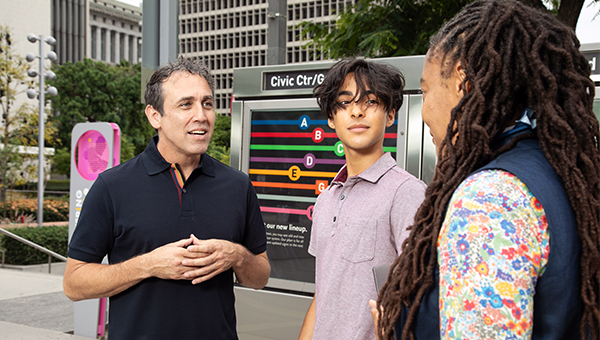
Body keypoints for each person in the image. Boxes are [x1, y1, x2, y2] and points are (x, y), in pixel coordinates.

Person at [371, 0, 600, 339]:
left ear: (463, 82)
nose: (424, 112)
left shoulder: (491, 198)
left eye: (426, 89)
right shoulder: (566, 177)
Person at [63, 57, 270, 340]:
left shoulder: (238, 185)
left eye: (207, 103)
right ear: (154, 116)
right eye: (186, 104)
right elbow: (74, 284)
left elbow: (260, 277)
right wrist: (147, 265)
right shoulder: (112, 186)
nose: (201, 115)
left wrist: (236, 256)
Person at [299, 58, 427, 340]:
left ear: (391, 114)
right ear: (331, 118)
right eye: (344, 103)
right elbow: (324, 294)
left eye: (370, 101)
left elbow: (422, 296)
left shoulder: (407, 193)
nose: (357, 111)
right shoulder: (327, 199)